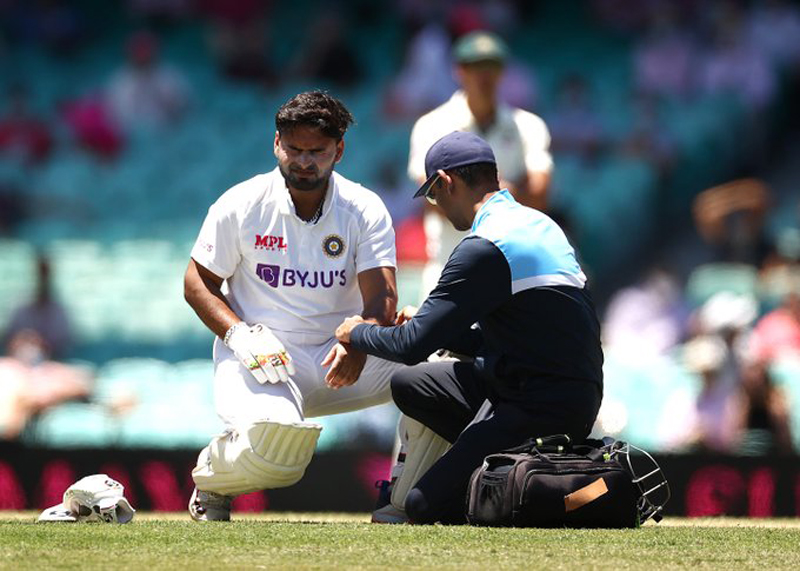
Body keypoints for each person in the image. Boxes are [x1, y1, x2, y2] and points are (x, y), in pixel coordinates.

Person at [334, 131, 604, 524]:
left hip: (537, 408)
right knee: (411, 383)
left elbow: (411, 346)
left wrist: (354, 332)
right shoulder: (538, 224)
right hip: (562, 394)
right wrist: (437, 328)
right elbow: (522, 339)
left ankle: (534, 482)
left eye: (433, 195)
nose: (437, 207)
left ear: (446, 182)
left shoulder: (485, 245)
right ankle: (490, 464)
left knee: (424, 505)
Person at [183, 91, 405, 521]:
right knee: (279, 457)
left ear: (339, 150)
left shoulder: (363, 208)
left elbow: (382, 297)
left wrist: (359, 342)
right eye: (294, 149)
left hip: (343, 355)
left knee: (438, 369)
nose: (304, 162)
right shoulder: (241, 203)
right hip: (264, 359)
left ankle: (408, 498)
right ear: (276, 144)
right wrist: (238, 334)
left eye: (317, 151)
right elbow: (197, 283)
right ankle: (212, 479)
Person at [407, 30, 553, 302]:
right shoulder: (432, 125)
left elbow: (540, 197)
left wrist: (467, 193)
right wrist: (505, 195)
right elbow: (432, 200)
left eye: (491, 66)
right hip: (450, 270)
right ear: (459, 70)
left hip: (513, 273)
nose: (484, 76)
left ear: (502, 72)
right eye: (476, 66)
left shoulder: (529, 126)